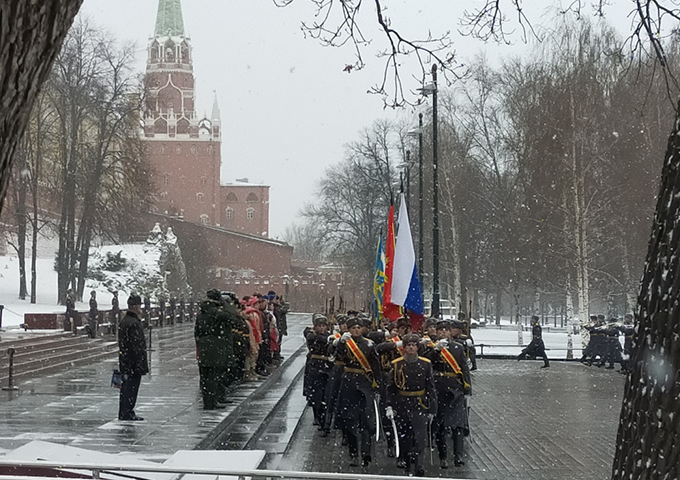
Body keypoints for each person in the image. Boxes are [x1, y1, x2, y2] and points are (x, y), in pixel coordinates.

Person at [386, 333, 438, 477]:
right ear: (404, 347)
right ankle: (408, 464)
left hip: (420, 404)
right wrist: (389, 405)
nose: (411, 348)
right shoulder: (396, 364)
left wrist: (433, 409)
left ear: (417, 347)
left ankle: (419, 465)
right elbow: (391, 388)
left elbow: (430, 387)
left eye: (414, 345)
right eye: (408, 345)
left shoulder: (425, 364)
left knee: (420, 437)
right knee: (405, 437)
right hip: (401, 404)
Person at [335, 316, 382, 467]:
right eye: (353, 328)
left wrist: (378, 386)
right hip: (349, 383)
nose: (356, 330)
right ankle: (353, 453)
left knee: (366, 422)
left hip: (365, 384)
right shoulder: (346, 343)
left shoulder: (369, 344)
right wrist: (341, 343)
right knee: (350, 421)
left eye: (358, 327)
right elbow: (336, 357)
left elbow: (376, 367)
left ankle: (366, 453)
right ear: (348, 330)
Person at [426, 320, 471, 468]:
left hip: (455, 389)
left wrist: (467, 389)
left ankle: (458, 456)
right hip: (439, 389)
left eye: (446, 329)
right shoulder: (431, 347)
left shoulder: (457, 347)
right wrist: (436, 350)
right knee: (441, 425)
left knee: (458, 425)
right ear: (437, 332)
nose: (444, 332)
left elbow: (464, 368)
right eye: (441, 330)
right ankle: (443, 456)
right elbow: (427, 363)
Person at [195, 289, 234, 409]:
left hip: (205, 348)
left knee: (206, 377)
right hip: (215, 348)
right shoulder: (217, 313)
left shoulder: (202, 313)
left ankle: (208, 402)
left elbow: (197, 331)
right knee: (214, 376)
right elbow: (231, 315)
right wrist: (226, 303)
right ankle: (212, 401)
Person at [118, 294, 148, 421]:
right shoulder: (134, 323)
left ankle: (124, 411)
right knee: (131, 388)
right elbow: (137, 346)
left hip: (125, 360)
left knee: (125, 388)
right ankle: (127, 412)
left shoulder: (124, 321)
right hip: (133, 362)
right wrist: (140, 363)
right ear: (135, 307)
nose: (140, 308)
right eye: (139, 305)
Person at [305, 314, 333, 427]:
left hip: (327, 368)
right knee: (315, 394)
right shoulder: (312, 336)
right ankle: (318, 416)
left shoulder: (330, 337)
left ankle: (325, 419)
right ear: (315, 327)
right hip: (315, 367)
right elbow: (313, 337)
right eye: (319, 326)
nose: (321, 328)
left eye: (323, 326)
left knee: (327, 394)